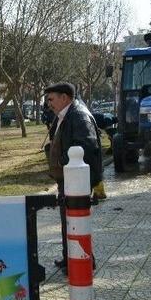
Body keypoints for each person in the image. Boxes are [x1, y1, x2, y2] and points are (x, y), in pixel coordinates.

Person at [43, 83, 103, 271]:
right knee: (67, 221)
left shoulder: (78, 116)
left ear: (65, 97)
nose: (49, 104)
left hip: (75, 180)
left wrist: (62, 161)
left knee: (74, 222)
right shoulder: (66, 114)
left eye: (51, 99)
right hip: (67, 179)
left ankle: (82, 260)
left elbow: (86, 145)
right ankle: (69, 258)